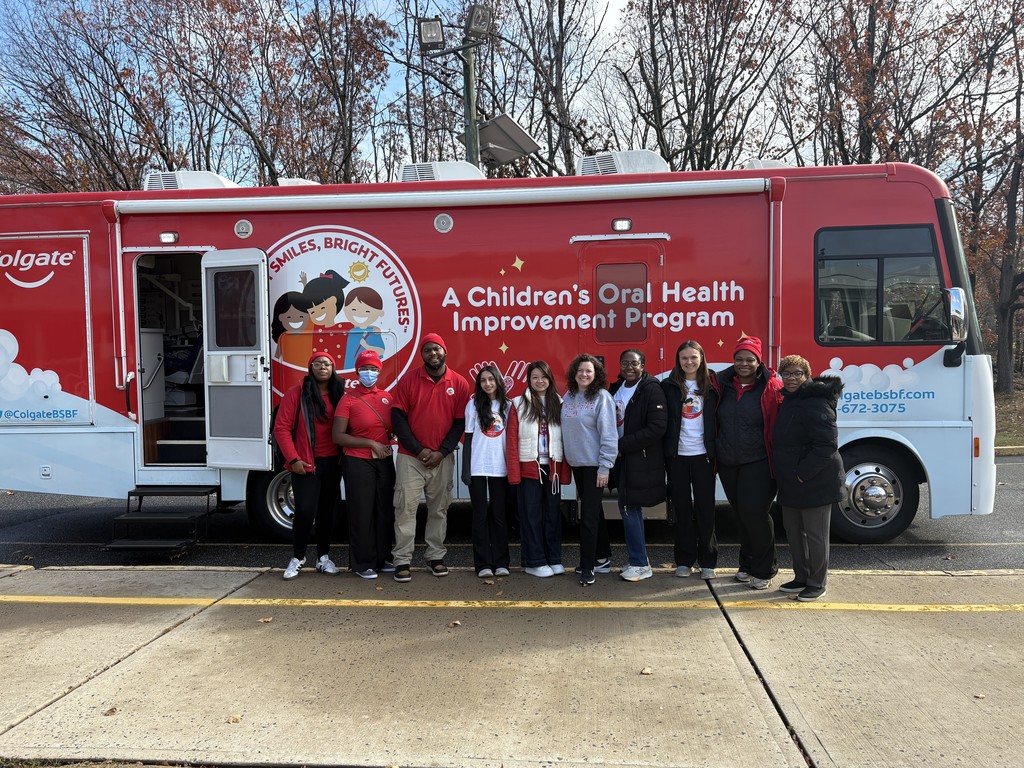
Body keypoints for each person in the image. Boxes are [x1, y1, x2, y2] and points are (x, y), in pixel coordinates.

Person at [389, 333, 471, 582]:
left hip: (442, 458)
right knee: (405, 509)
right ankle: (402, 560)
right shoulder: (409, 380)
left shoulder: (459, 383)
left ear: (444, 351)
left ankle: (435, 556)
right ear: (421, 355)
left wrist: (442, 451)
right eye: (427, 350)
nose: (433, 354)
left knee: (440, 509)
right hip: (410, 458)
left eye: (437, 349)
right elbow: (398, 418)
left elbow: (459, 423)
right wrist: (419, 450)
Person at [709, 336, 782, 590]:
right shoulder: (721, 384)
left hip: (759, 461)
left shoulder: (770, 387)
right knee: (741, 515)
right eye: (739, 359)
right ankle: (748, 564)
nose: (744, 364)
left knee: (756, 514)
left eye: (749, 359)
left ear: (758, 361)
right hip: (729, 462)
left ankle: (765, 568)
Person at [772, 354, 844, 602]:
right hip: (792, 480)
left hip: (814, 480)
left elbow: (826, 445)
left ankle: (816, 582)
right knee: (794, 532)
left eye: (797, 373)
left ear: (807, 375)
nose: (791, 378)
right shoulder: (790, 400)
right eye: (786, 373)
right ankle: (801, 577)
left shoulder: (815, 401)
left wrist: (802, 474)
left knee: (815, 535)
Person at [274, 351, 345, 580]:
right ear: (310, 368)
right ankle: (298, 557)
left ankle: (323, 558)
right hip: (306, 463)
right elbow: (281, 428)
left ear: (333, 368)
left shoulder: (340, 394)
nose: (322, 366)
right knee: (304, 511)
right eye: (317, 363)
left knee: (327, 513)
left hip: (333, 462)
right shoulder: (296, 394)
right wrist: (293, 459)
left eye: (327, 363)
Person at [332, 349, 395, 580]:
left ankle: (382, 558)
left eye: (373, 369)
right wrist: (370, 443)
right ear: (357, 371)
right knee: (361, 512)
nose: (369, 373)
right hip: (357, 462)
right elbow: (338, 436)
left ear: (379, 371)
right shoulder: (348, 400)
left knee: (384, 511)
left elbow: (393, 427)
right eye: (365, 369)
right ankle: (362, 563)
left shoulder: (387, 397)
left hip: (384, 462)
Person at [506, 361, 572, 578]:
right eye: (535, 377)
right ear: (529, 379)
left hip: (551, 467)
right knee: (530, 515)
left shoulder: (559, 403)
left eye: (543, 376)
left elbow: (565, 439)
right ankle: (534, 561)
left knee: (552, 515)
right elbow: (512, 439)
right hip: (529, 468)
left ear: (550, 378)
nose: (539, 381)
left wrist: (564, 470)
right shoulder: (518, 403)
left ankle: (554, 558)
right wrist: (514, 472)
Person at [608, 349, 667, 582]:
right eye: (625, 363)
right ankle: (637, 560)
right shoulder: (617, 388)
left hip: (636, 458)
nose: (629, 367)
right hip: (621, 458)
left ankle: (640, 563)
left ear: (643, 364)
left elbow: (656, 428)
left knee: (630, 508)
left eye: (634, 363)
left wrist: (622, 445)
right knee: (628, 508)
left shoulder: (652, 389)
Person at [662, 340, 718, 580]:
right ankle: (684, 561)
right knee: (682, 509)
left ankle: (708, 562)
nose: (689, 362)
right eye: (684, 358)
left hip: (703, 456)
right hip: (678, 457)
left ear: (702, 358)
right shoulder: (669, 385)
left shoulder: (713, 383)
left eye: (694, 357)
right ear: (678, 360)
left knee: (706, 509)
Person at [561, 353, 617, 586]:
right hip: (577, 465)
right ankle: (602, 558)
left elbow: (609, 433)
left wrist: (605, 466)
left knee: (589, 517)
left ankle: (588, 567)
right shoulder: (569, 396)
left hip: (595, 465)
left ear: (596, 375)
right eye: (580, 370)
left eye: (589, 371)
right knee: (596, 513)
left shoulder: (601, 397)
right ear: (574, 373)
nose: (584, 374)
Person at [461, 365, 512, 578]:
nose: (488, 383)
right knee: (480, 516)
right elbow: (468, 438)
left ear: (498, 381)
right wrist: (466, 470)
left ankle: (501, 562)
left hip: (501, 468)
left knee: (500, 515)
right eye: (483, 380)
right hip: (478, 467)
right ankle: (482, 564)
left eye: (491, 379)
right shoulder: (473, 405)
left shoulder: (508, 406)